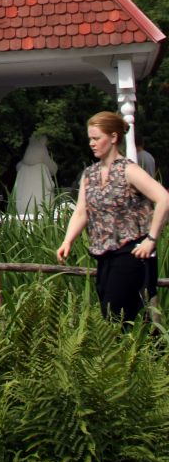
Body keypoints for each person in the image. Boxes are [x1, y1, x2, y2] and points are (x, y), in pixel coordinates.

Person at [56, 111, 169, 322]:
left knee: (115, 314)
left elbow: (163, 198)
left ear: (113, 137)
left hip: (131, 252)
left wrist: (151, 240)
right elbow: (81, 211)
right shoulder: (90, 174)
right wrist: (67, 240)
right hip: (104, 255)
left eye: (96, 138)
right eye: (90, 138)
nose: (91, 143)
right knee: (113, 317)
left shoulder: (129, 170)